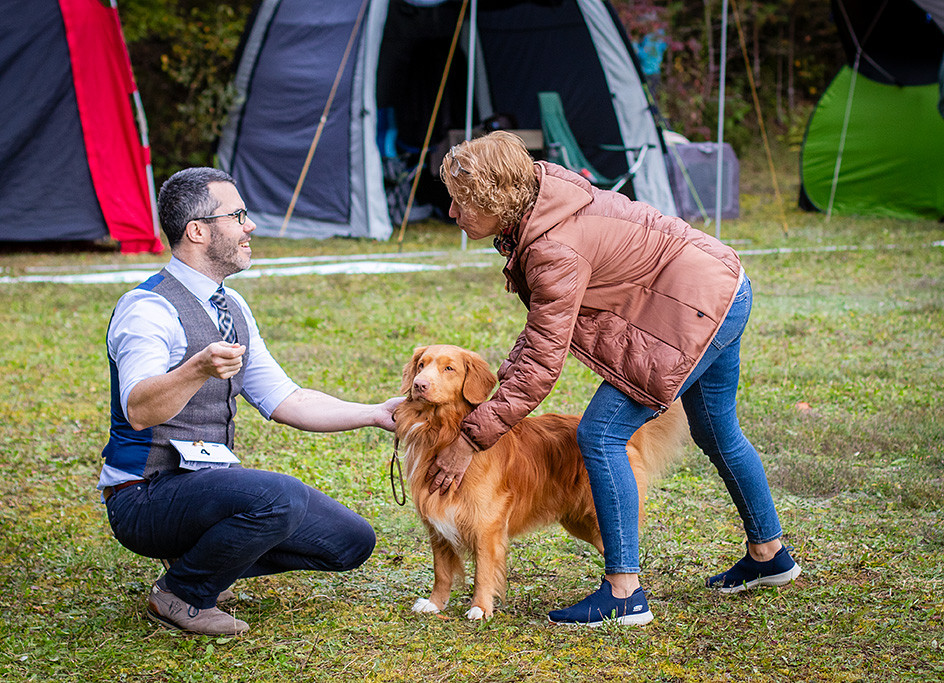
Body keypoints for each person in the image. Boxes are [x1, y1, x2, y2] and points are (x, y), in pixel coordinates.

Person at [428, 131, 800, 626]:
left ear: (494, 198)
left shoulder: (553, 247)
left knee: (599, 433)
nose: (452, 214)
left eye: (460, 203)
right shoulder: (541, 205)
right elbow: (539, 331)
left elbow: (542, 360)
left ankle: (624, 593)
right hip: (722, 287)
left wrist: (471, 439)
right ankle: (769, 554)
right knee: (716, 430)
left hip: (696, 307)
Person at [97, 167, 403, 636]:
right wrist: (196, 368)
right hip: (143, 495)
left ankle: (198, 559)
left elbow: (287, 399)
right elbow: (139, 408)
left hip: (206, 485)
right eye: (238, 215)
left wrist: (377, 414)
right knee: (278, 496)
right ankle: (183, 593)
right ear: (197, 231)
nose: (250, 226)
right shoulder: (147, 308)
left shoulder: (233, 307)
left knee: (350, 542)